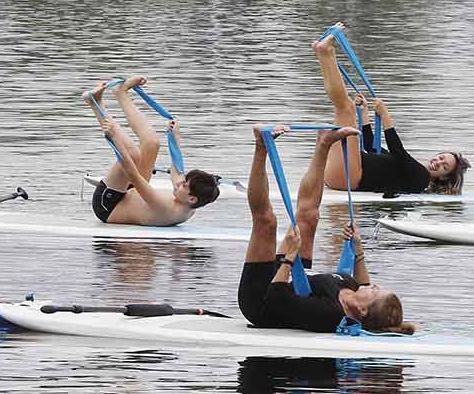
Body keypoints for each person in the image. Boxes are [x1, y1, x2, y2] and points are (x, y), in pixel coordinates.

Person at [238, 124, 415, 334]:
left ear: (362, 309)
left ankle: (260, 147)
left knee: (266, 222)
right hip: (294, 276)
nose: (373, 285)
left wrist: (289, 257)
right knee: (309, 217)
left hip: (264, 298)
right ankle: (324, 143)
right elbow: (363, 278)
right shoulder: (354, 289)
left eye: (376, 290)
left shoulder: (330, 314)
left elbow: (276, 296)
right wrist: (356, 247)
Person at [313, 25, 468, 195]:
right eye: (441, 157)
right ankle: (324, 53)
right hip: (343, 173)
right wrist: (365, 115)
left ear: (443, 178)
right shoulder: (408, 169)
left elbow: (398, 151)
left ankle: (325, 52)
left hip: (348, 177)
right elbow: (373, 149)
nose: (437, 162)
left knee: (345, 108)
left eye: (444, 167)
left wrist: (385, 115)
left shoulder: (421, 178)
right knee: (346, 108)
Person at [82, 76, 220, 226]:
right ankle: (122, 93)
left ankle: (95, 102)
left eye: (184, 185)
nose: (179, 183)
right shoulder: (188, 201)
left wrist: (114, 138)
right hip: (131, 193)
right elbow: (177, 172)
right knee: (152, 143)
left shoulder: (167, 209)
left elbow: (133, 175)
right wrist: (176, 139)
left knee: (133, 153)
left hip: (109, 204)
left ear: (192, 198)